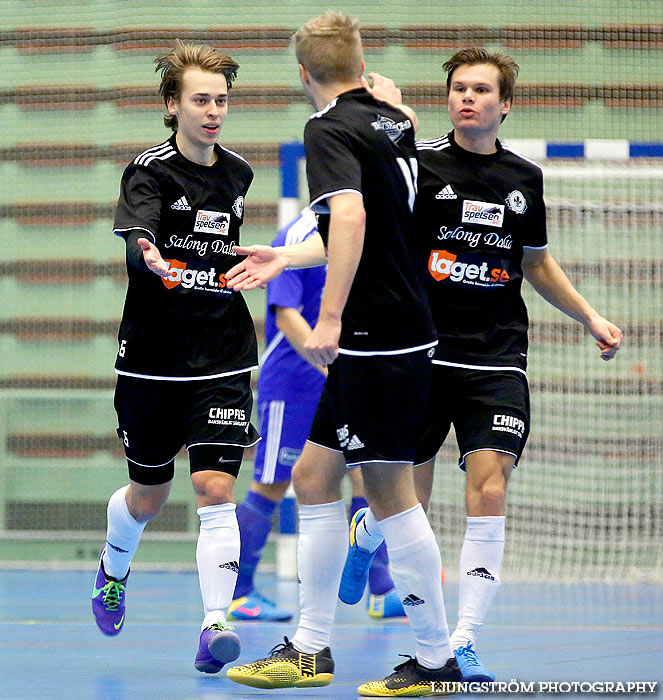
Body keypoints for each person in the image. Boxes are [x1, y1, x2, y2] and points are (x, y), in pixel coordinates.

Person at [336, 47, 624, 683]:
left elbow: (536, 262)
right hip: (420, 354)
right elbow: (366, 232)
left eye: (480, 90)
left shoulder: (524, 179)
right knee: (408, 500)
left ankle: (459, 641)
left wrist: (591, 317)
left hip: (495, 358)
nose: (467, 98)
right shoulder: (422, 166)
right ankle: (370, 534)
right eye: (458, 88)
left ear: (504, 104)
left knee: (489, 487)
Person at [224, 12, 462, 697]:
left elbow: (352, 219)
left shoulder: (327, 128)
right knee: (312, 477)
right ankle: (309, 649)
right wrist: (287, 254)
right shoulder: (393, 122)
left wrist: (327, 315)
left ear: (304, 74)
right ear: (360, 64)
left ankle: (435, 660)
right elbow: (359, 228)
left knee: (388, 495)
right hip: (389, 332)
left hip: (375, 335)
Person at [91, 40, 261, 676]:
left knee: (216, 487)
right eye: (200, 100)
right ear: (173, 105)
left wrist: (248, 270)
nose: (213, 111)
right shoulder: (149, 171)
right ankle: (114, 565)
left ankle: (215, 623)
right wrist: (152, 257)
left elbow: (227, 251)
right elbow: (139, 240)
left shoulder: (239, 174)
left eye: (221, 100)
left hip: (221, 354)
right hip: (152, 361)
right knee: (149, 495)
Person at [230, 207, 406, 623]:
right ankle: (238, 593)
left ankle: (380, 588)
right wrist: (326, 364)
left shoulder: (358, 233)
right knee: (272, 483)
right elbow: (284, 312)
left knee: (368, 476)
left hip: (349, 384)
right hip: (293, 385)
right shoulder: (296, 236)